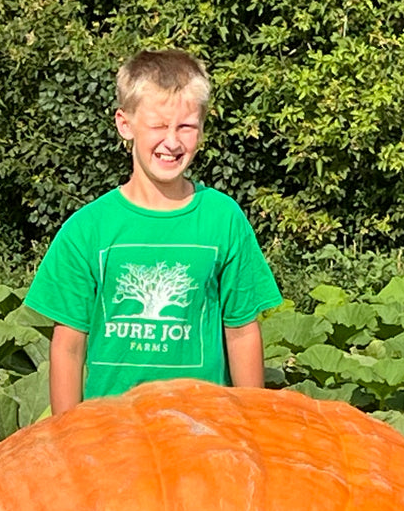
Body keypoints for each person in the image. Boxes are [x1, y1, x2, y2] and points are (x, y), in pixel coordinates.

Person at [24, 49, 282, 414]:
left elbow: (241, 332)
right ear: (124, 124)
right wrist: (68, 437)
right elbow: (68, 346)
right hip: (111, 431)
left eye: (186, 127)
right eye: (158, 126)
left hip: (204, 425)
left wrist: (252, 424)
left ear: (202, 127)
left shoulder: (223, 219)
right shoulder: (87, 229)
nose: (172, 142)